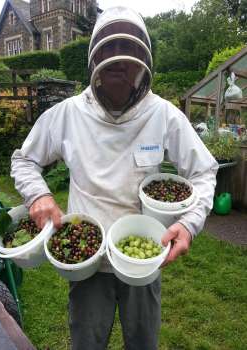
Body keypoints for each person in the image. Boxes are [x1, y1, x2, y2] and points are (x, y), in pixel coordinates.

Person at [11, 6, 218, 350]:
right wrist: (38, 195)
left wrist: (190, 222)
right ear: (94, 61)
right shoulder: (67, 114)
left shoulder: (163, 114)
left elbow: (204, 170)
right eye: (110, 50)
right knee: (87, 343)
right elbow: (24, 159)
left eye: (129, 51)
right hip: (86, 262)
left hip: (143, 257)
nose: (119, 62)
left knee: (143, 342)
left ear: (144, 61)